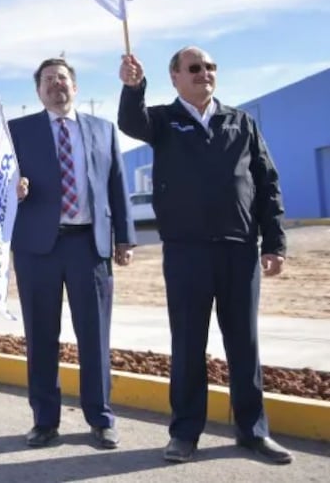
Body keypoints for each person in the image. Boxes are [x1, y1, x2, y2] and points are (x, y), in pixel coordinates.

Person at [119, 47, 292, 465]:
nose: (204, 73)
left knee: (244, 346)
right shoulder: (162, 119)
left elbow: (266, 182)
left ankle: (253, 431)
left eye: (210, 67)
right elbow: (130, 122)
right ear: (175, 77)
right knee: (189, 345)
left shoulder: (240, 121)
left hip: (239, 250)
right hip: (186, 252)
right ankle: (184, 433)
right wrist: (132, 88)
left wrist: (274, 242)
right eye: (194, 68)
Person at [8, 58, 135, 449]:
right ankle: (45, 421)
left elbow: (116, 182)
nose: (56, 85)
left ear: (74, 87)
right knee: (41, 336)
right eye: (48, 80)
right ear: (38, 91)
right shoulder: (17, 131)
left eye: (62, 78)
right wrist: (14, 188)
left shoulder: (102, 129)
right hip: (36, 248)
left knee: (94, 336)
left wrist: (125, 237)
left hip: (89, 245)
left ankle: (100, 418)